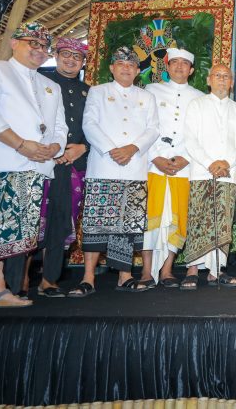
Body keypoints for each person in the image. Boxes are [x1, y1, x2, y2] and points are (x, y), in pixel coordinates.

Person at [0, 22, 67, 315]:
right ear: (15, 43)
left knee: (13, 232)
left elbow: (60, 126)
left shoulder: (52, 85)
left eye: (44, 46)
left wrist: (55, 147)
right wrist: (20, 144)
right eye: (33, 43)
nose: (39, 50)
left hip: (36, 166)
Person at [70, 46, 159, 296]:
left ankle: (124, 275)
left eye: (131, 65)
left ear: (137, 70)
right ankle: (88, 277)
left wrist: (132, 148)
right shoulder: (98, 92)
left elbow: (153, 129)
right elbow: (89, 124)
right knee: (96, 223)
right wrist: (111, 149)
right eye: (121, 64)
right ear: (112, 68)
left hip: (134, 167)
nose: (126, 69)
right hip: (103, 166)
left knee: (127, 225)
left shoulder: (146, 96)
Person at [139, 48, 204, 288]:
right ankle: (146, 272)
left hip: (183, 167)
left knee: (177, 218)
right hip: (153, 164)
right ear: (167, 67)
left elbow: (199, 134)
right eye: (174, 62)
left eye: (184, 63)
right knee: (150, 218)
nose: (179, 67)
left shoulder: (199, 98)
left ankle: (167, 270)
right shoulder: (150, 91)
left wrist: (185, 158)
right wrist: (156, 156)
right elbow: (143, 126)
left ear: (191, 70)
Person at [182, 64, 236, 290]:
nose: (222, 79)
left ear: (232, 82)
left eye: (226, 76)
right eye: (217, 76)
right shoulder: (196, 105)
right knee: (198, 220)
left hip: (228, 173)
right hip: (202, 172)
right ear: (208, 80)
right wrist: (210, 163)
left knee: (223, 223)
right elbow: (190, 139)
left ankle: (217, 270)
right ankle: (192, 269)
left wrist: (226, 162)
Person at [36, 37, 90, 298]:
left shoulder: (89, 92)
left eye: (77, 56)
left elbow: (96, 126)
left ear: (83, 62)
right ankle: (18, 279)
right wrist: (52, 149)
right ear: (56, 56)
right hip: (41, 159)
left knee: (61, 219)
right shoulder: (38, 82)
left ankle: (49, 279)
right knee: (35, 218)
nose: (71, 60)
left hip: (75, 164)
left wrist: (83, 147)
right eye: (66, 54)